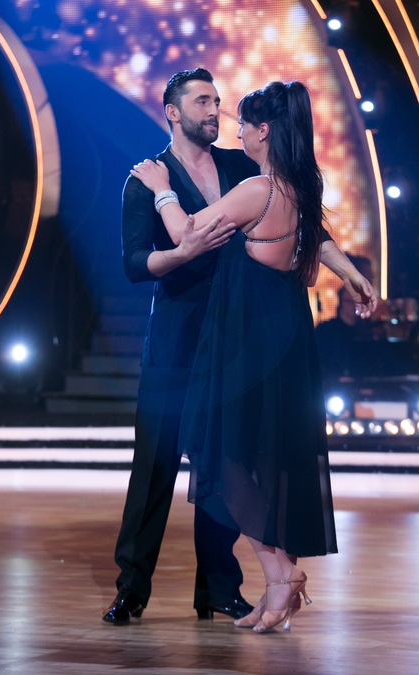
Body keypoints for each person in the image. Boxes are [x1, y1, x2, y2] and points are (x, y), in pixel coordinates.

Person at [103, 69, 377, 627]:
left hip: (237, 341)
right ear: (173, 112)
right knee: (164, 464)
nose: (217, 112)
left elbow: (304, 229)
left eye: (219, 102)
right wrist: (176, 243)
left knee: (227, 457)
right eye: (203, 101)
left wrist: (347, 268)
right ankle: (135, 587)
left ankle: (225, 587)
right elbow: (135, 263)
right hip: (182, 340)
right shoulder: (147, 178)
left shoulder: (242, 170)